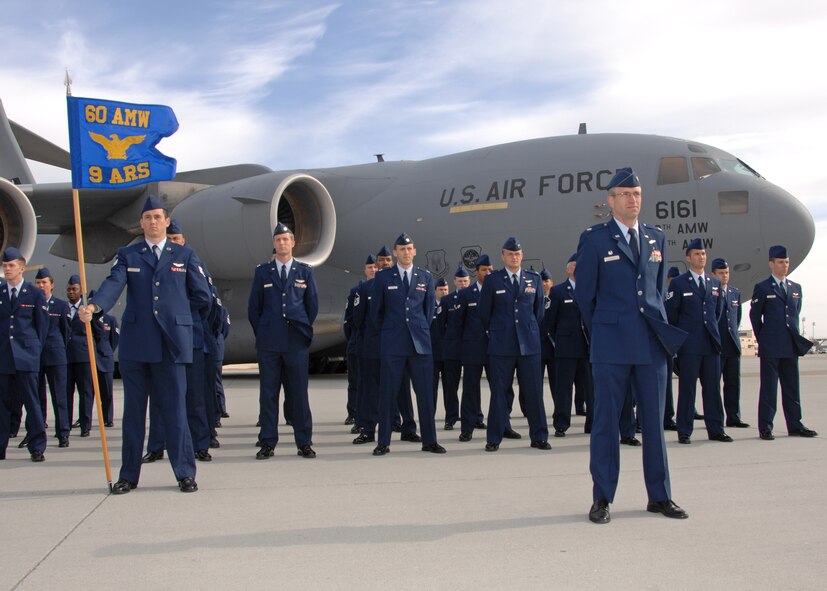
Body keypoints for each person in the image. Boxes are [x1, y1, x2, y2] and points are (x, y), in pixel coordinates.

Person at [574, 167, 688, 524]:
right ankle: (602, 498)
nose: (631, 199)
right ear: (610, 201)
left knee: (654, 424)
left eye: (636, 194)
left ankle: (660, 496)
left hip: (651, 345)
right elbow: (585, 297)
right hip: (610, 345)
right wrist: (606, 332)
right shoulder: (594, 238)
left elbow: (655, 294)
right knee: (607, 424)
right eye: (624, 194)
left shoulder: (656, 238)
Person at [80, 195, 212, 494]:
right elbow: (113, 284)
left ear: (166, 221)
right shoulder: (129, 255)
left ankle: (185, 473)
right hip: (137, 345)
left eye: (157, 217)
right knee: (134, 415)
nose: (152, 222)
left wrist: (177, 315)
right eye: (147, 217)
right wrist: (95, 306)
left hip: (171, 346)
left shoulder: (185, 255)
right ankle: (128, 475)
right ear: (140, 223)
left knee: (175, 412)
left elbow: (202, 296)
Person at [370, 232, 445, 456]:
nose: (406, 252)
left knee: (425, 394)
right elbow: (376, 314)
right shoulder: (384, 277)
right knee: (388, 394)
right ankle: (383, 442)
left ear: (414, 251)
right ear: (395, 252)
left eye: (409, 248)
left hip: (419, 345)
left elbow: (429, 310)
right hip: (393, 344)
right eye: (401, 249)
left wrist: (417, 330)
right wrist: (392, 331)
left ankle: (430, 441)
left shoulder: (425, 277)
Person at [248, 222, 319, 459]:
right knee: (268, 394)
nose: (282, 243)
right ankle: (267, 442)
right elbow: (254, 309)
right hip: (269, 343)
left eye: (286, 239)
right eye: (278, 240)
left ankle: (304, 442)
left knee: (299, 393)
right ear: (273, 244)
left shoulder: (305, 271)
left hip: (296, 342)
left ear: (293, 243)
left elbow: (312, 306)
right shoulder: (262, 272)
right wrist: (266, 331)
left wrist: (301, 330)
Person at [478, 237, 550, 452]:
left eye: (517, 254)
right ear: (503, 256)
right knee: (499, 393)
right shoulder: (493, 280)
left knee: (534, 393)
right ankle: (494, 438)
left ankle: (539, 436)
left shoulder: (533, 279)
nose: (514, 257)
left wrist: (526, 330)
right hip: (502, 345)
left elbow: (538, 312)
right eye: (510, 254)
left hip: (529, 345)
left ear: (522, 255)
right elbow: (484, 312)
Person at [749, 245, 817, 440]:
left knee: (792, 388)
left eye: (786, 262)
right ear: (771, 264)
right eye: (780, 262)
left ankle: (795, 425)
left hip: (790, 346)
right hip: (771, 347)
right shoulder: (762, 288)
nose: (784, 266)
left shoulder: (796, 288)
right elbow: (755, 317)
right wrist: (764, 339)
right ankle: (766, 427)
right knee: (769, 389)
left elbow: (794, 314)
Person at [665, 239, 730, 444]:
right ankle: (684, 430)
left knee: (712, 388)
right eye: (696, 254)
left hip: (710, 344)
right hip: (689, 346)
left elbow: (717, 313)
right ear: (688, 257)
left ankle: (716, 429)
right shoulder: (679, 283)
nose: (700, 257)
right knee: (687, 389)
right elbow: (672, 315)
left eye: (703, 254)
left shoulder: (715, 283)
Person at [0, 247, 49, 462]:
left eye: (11, 266)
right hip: (3, 356)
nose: (7, 269)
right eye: (5, 265)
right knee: (2, 404)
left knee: (31, 401)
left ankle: (37, 446)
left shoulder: (34, 293)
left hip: (26, 356)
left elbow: (42, 327)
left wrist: (34, 351)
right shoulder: (0, 293)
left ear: (21, 268)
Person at [547, 255, 593, 437]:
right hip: (566, 348)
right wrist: (558, 342)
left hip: (588, 347)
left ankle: (593, 423)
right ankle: (561, 423)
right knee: (563, 388)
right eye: (574, 266)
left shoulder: (590, 289)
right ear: (568, 269)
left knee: (591, 388)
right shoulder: (558, 291)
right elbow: (550, 322)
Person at [34, 267, 71, 448]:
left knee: (59, 396)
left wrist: (58, 348)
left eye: (44, 283)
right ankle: (37, 431)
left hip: (56, 355)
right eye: (38, 283)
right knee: (37, 397)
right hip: (35, 356)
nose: (41, 286)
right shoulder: (31, 303)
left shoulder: (60, 306)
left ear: (52, 285)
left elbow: (65, 332)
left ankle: (63, 432)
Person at [711, 258, 749, 429]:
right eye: (720, 273)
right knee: (713, 385)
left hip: (732, 345)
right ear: (713, 274)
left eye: (726, 273)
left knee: (733, 383)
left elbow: (736, 318)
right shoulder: (710, 292)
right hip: (716, 346)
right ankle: (715, 418)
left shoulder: (735, 293)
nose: (724, 276)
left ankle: (733, 417)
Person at [66, 274, 99, 437]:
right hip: (66, 356)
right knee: (66, 392)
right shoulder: (63, 308)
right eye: (69, 289)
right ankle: (65, 424)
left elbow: (99, 333)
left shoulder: (87, 309)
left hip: (84, 356)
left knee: (85, 391)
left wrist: (95, 352)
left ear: (81, 292)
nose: (71, 292)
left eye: (74, 289)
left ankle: (85, 425)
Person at [439, 266, 470, 429]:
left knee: (472, 386)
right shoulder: (447, 300)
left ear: (469, 281)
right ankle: (451, 417)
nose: (463, 284)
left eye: (465, 281)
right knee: (451, 386)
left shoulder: (476, 297)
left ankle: (475, 417)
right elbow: (440, 325)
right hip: (452, 349)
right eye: (460, 281)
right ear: (455, 282)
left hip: (471, 348)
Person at [87, 290, 119, 429]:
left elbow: (115, 339)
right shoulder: (86, 320)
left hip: (105, 359)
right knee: (88, 393)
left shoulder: (110, 319)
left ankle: (108, 418)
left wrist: (107, 352)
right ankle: (86, 420)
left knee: (107, 391)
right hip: (90, 359)